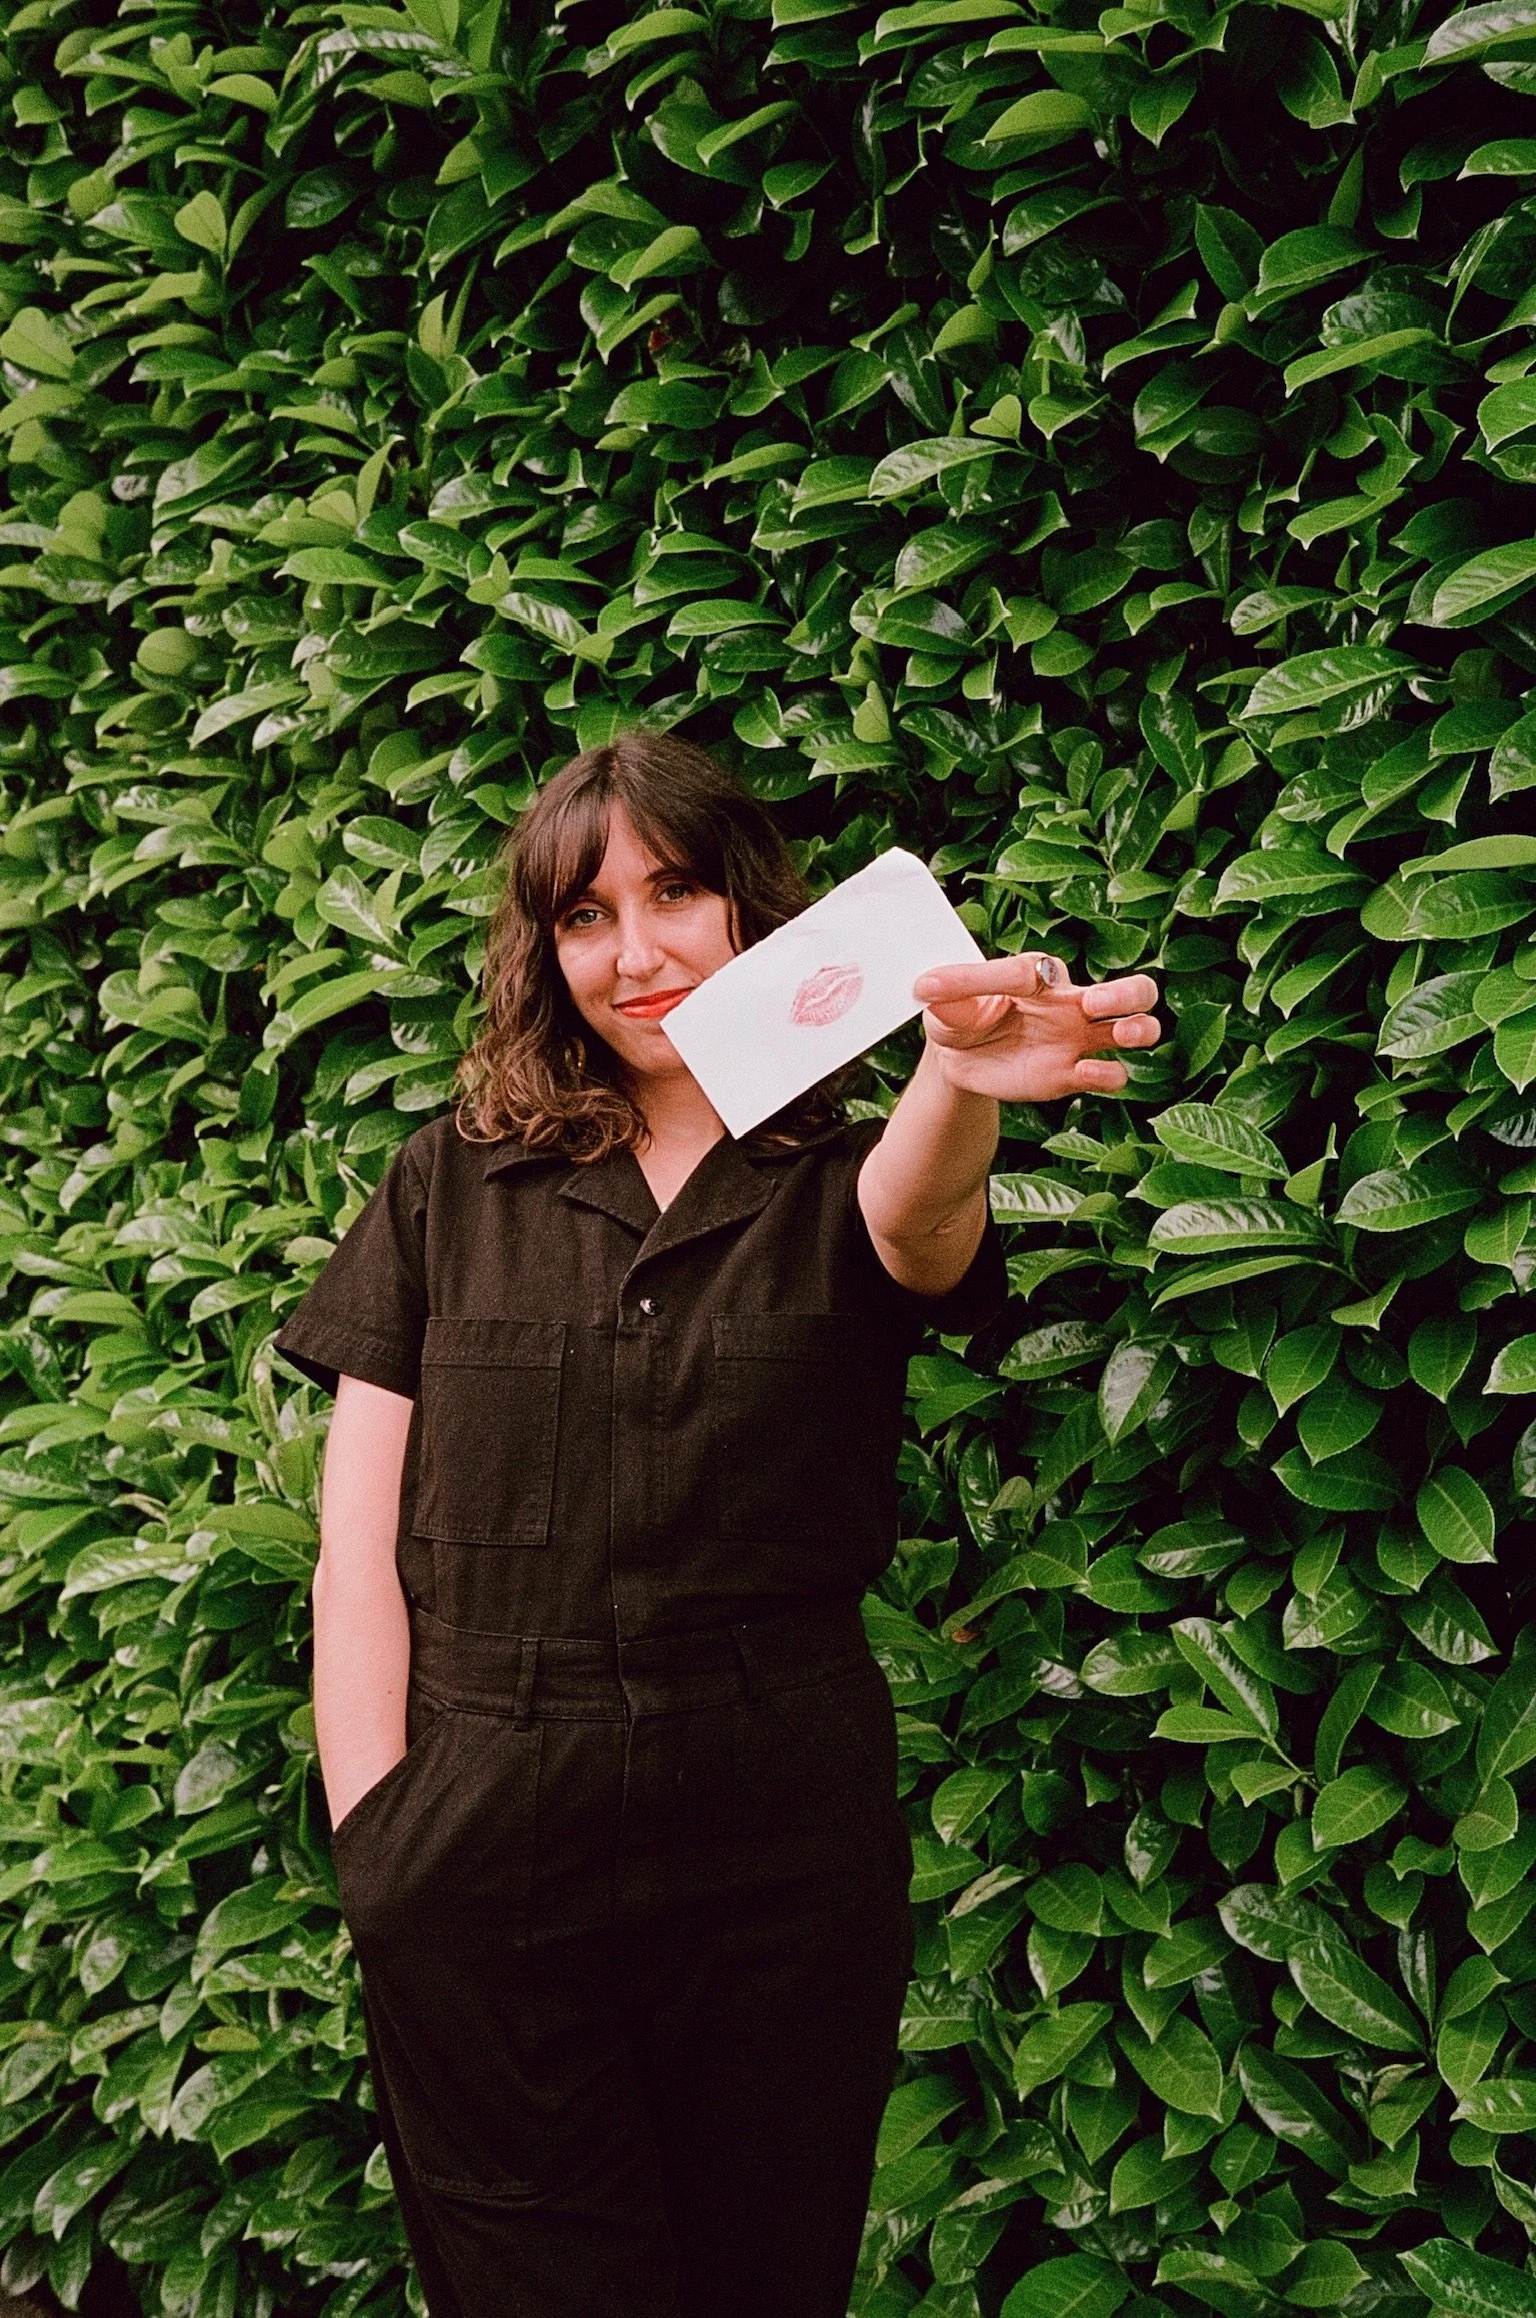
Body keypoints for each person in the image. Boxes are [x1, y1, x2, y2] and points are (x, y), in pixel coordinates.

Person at [273, 732, 1159, 2318]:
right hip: (483, 1860)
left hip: (776, 1865)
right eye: (586, 914)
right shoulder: (446, 1187)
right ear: (547, 953)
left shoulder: (836, 1177)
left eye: (672, 891)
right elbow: (358, 1548)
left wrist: (958, 1077)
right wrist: (381, 1846)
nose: (638, 949)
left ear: (746, 907)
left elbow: (919, 1210)